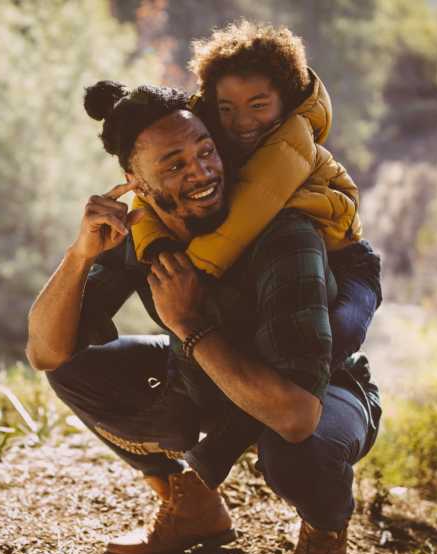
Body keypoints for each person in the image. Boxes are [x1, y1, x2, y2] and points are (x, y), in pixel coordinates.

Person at [25, 81, 380, 554]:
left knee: (295, 450)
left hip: (323, 392)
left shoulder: (286, 236)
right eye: (173, 165)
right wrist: (80, 256)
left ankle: (324, 532)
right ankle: (189, 506)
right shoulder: (144, 235)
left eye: (206, 151)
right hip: (210, 380)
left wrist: (189, 325)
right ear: (136, 184)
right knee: (77, 371)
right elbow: (46, 353)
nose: (202, 172)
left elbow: (296, 413)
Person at [126, 21, 383, 488]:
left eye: (258, 106)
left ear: (285, 101)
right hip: (306, 260)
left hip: (350, 266)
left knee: (332, 343)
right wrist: (156, 243)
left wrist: (194, 274)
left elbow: (244, 220)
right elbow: (143, 200)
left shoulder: (289, 144)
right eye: (227, 108)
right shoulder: (216, 141)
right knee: (277, 351)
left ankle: (229, 442)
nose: (242, 122)